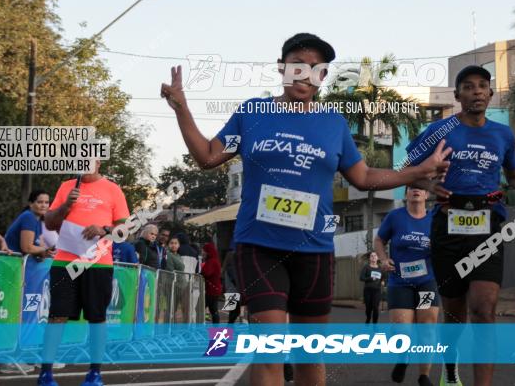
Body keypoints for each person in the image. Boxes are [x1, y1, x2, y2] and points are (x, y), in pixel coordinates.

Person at [160, 32, 450, 386]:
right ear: (282, 68)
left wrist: (417, 172)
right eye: (297, 66)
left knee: (309, 355)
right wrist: (181, 107)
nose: (305, 75)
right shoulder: (253, 112)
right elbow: (207, 156)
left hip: (313, 248)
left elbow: (363, 176)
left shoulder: (332, 124)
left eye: (316, 69)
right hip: (259, 245)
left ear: (323, 78)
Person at [406, 65, 515, 386]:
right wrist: (428, 187)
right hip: (448, 223)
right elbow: (409, 166)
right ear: (457, 96)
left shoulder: (503, 134)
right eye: (468, 87)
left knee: (484, 310)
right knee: (454, 314)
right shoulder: (439, 131)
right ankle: (451, 366)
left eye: (483, 86)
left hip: (489, 224)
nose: (477, 92)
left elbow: (512, 175)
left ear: (490, 93)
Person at [38, 163, 130, 386]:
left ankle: (94, 374)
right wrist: (65, 205)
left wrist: (104, 230)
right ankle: (46, 373)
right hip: (65, 262)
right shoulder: (66, 186)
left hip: (98, 264)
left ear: (99, 162)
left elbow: (125, 231)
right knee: (56, 315)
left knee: (97, 318)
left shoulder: (113, 189)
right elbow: (49, 223)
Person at [375, 186, 440, 386]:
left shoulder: (434, 220)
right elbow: (379, 240)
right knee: (402, 330)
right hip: (399, 281)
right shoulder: (395, 217)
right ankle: (403, 358)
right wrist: (384, 259)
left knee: (427, 329)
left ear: (427, 194)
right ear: (406, 194)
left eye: (421, 188)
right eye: (412, 188)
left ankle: (424, 376)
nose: (416, 190)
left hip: (426, 281)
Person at [4, 190, 54, 257]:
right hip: (11, 261)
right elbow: (27, 248)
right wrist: (45, 249)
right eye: (40, 202)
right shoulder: (28, 217)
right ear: (31, 204)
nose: (44, 205)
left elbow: (40, 246)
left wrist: (46, 252)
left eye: (46, 202)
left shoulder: (38, 220)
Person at [359, 251, 385, 324]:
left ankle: (375, 324)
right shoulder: (366, 267)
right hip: (368, 290)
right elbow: (361, 278)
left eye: (375, 256)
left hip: (377, 290)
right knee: (368, 308)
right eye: (372, 256)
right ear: (370, 258)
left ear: (377, 258)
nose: (373, 257)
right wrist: (370, 278)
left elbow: (383, 277)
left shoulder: (380, 268)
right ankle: (368, 317)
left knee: (375, 308)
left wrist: (383, 281)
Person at [201, 242, 223, 323]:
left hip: (211, 290)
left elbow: (206, 272)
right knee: (213, 310)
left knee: (200, 308)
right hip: (215, 289)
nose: (202, 252)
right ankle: (216, 330)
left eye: (204, 251)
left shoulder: (211, 261)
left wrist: (200, 273)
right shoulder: (214, 260)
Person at [221, 248, 242, 324]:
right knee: (235, 313)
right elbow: (235, 280)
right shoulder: (231, 268)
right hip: (233, 292)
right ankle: (229, 330)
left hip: (230, 292)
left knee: (233, 313)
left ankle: (229, 331)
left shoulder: (226, 268)